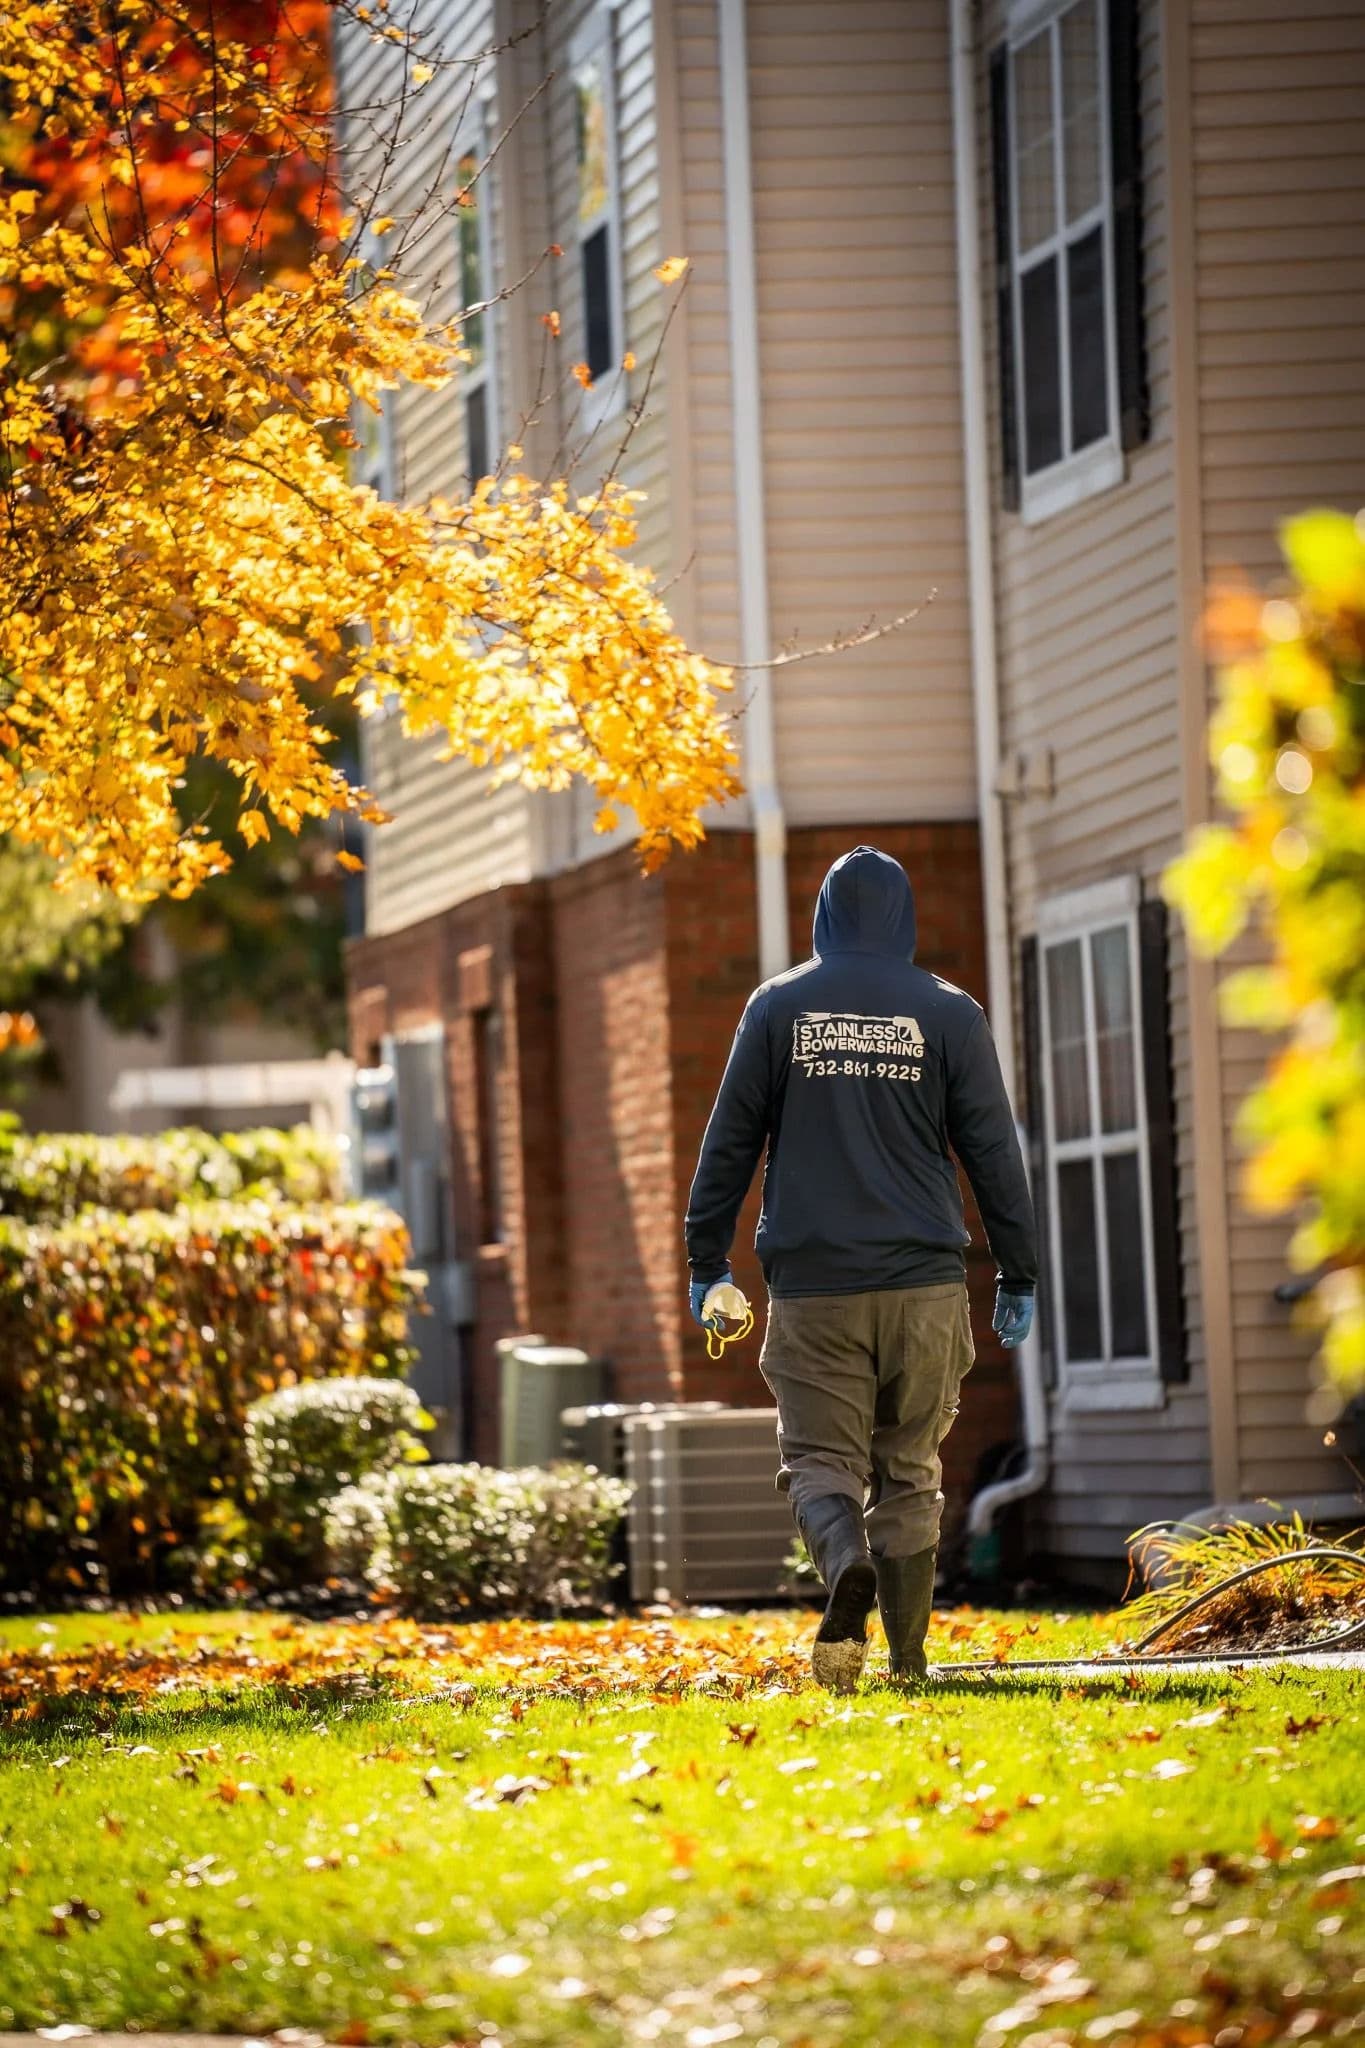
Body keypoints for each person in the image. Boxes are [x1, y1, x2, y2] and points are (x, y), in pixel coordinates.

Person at [684, 846, 1037, 1690]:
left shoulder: (778, 1007)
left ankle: (846, 1562)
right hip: (925, 1288)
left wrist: (707, 1261)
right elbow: (993, 1152)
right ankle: (908, 1666)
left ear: (823, 917)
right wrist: (1017, 1272)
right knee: (911, 1469)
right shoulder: (948, 1012)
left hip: (815, 1290)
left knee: (820, 1461)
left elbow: (729, 1141)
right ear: (904, 917)